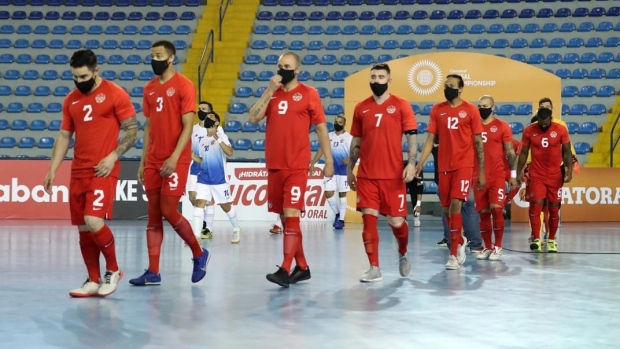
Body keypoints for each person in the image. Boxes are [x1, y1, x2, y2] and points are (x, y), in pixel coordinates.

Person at [43, 49, 138, 297]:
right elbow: (64, 135)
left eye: (84, 76)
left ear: (96, 71)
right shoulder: (71, 100)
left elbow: (132, 131)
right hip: (78, 170)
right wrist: (53, 168)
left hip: (103, 169)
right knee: (83, 227)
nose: (79, 81)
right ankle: (93, 280)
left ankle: (114, 270)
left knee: (94, 220)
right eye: (75, 77)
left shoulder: (115, 94)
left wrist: (113, 155)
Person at [248, 52, 334, 287]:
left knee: (292, 214)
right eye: (279, 66)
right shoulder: (273, 94)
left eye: (287, 66)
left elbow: (321, 129)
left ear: (297, 70)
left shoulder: (309, 94)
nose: (282, 70)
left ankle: (285, 269)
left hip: (297, 165)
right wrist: (268, 91)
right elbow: (253, 118)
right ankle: (303, 267)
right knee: (286, 219)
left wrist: (328, 160)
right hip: (274, 165)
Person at [130, 40, 209, 286]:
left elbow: (188, 126)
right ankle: (153, 272)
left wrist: (174, 157)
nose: (155, 59)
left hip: (176, 158)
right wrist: (143, 161)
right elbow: (149, 126)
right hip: (153, 159)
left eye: (159, 55)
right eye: (152, 55)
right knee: (153, 217)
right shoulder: (149, 88)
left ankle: (199, 253)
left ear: (171, 58)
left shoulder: (184, 85)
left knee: (168, 210)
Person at [347, 63, 418, 282]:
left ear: (389, 80)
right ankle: (374, 267)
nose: (376, 80)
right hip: (368, 175)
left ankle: (403, 252)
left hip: (393, 176)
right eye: (373, 77)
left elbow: (412, 138)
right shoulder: (361, 108)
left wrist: (411, 163)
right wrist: (351, 169)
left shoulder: (401, 105)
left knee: (396, 222)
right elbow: (356, 142)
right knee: (368, 220)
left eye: (380, 77)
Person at [415, 74, 486, 270]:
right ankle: (460, 241)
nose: (448, 89)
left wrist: (481, 171)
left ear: (461, 88)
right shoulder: (437, 109)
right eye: (445, 86)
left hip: (464, 165)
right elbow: (430, 139)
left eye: (452, 86)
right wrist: (420, 163)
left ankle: (453, 254)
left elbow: (478, 143)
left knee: (456, 205)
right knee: (446, 209)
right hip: (444, 166)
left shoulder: (471, 110)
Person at [517, 107, 573, 252]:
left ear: (551, 118)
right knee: (535, 206)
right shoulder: (529, 130)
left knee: (554, 209)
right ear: (538, 119)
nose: (543, 125)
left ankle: (552, 240)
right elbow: (523, 152)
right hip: (537, 175)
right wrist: (518, 172)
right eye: (541, 123)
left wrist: (569, 170)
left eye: (546, 123)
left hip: (555, 176)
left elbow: (567, 151)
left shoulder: (560, 129)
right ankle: (536, 238)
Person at [473, 95, 518, 261]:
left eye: (485, 105)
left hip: (497, 175)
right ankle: (487, 247)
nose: (481, 108)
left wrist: (512, 175)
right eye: (479, 106)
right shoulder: (473, 126)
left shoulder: (502, 126)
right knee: (484, 213)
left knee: (497, 209)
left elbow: (511, 152)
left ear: (493, 107)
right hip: (478, 176)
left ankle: (498, 247)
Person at [192, 111, 241, 243]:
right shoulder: (202, 141)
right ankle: (196, 236)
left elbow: (230, 152)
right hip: (204, 178)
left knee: (225, 206)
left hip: (219, 179)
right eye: (208, 117)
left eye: (212, 116)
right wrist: (191, 156)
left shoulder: (222, 136)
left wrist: (217, 138)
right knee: (200, 203)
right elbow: (201, 160)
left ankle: (236, 228)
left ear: (217, 123)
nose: (209, 117)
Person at [310, 114, 352, 230]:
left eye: (339, 122)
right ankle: (338, 214)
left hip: (343, 171)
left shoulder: (349, 137)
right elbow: (322, 150)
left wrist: (349, 158)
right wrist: (313, 162)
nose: (337, 124)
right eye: (335, 121)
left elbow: (355, 152)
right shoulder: (328, 136)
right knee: (328, 193)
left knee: (342, 194)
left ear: (344, 124)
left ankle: (341, 220)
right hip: (330, 170)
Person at [188, 101, 214, 239]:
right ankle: (202, 223)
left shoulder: (215, 129)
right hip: (195, 166)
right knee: (192, 197)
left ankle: (208, 228)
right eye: (199, 109)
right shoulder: (193, 129)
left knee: (208, 199)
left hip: (209, 167)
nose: (200, 111)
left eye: (203, 109)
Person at [404, 160, 423, 227]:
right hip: (403, 178)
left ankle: (416, 216)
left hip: (414, 181)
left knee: (415, 199)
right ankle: (402, 218)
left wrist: (418, 204)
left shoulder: (419, 170)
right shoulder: (401, 169)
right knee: (401, 198)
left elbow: (420, 189)